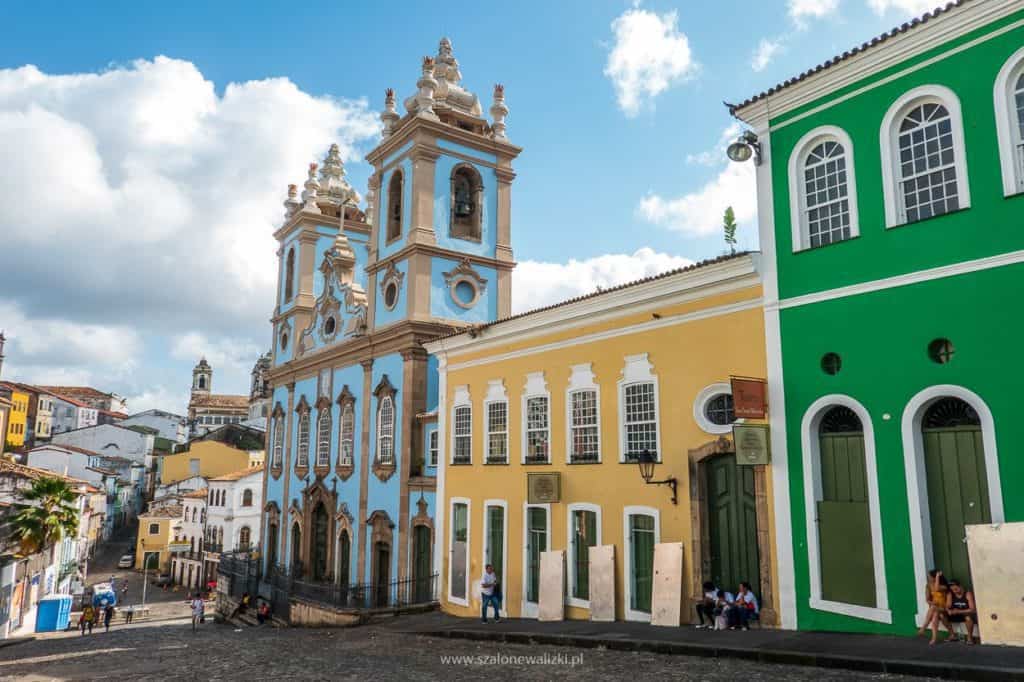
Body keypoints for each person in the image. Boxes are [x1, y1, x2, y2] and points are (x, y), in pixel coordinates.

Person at [918, 569, 954, 644]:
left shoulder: (944, 586)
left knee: (934, 608)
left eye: (930, 577)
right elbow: (927, 599)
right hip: (936, 608)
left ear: (935, 577)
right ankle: (934, 638)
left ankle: (924, 627)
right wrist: (932, 602)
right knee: (935, 614)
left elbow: (937, 589)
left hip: (944, 607)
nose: (928, 578)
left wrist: (937, 576)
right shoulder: (928, 586)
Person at [946, 580, 978, 645]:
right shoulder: (950, 594)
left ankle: (970, 638)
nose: (954, 591)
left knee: (968, 617)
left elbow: (972, 609)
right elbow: (947, 606)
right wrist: (949, 611)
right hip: (956, 614)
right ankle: (952, 635)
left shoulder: (967, 594)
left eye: (956, 589)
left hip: (965, 613)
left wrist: (959, 611)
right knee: (942, 615)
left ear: (960, 586)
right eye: (952, 590)